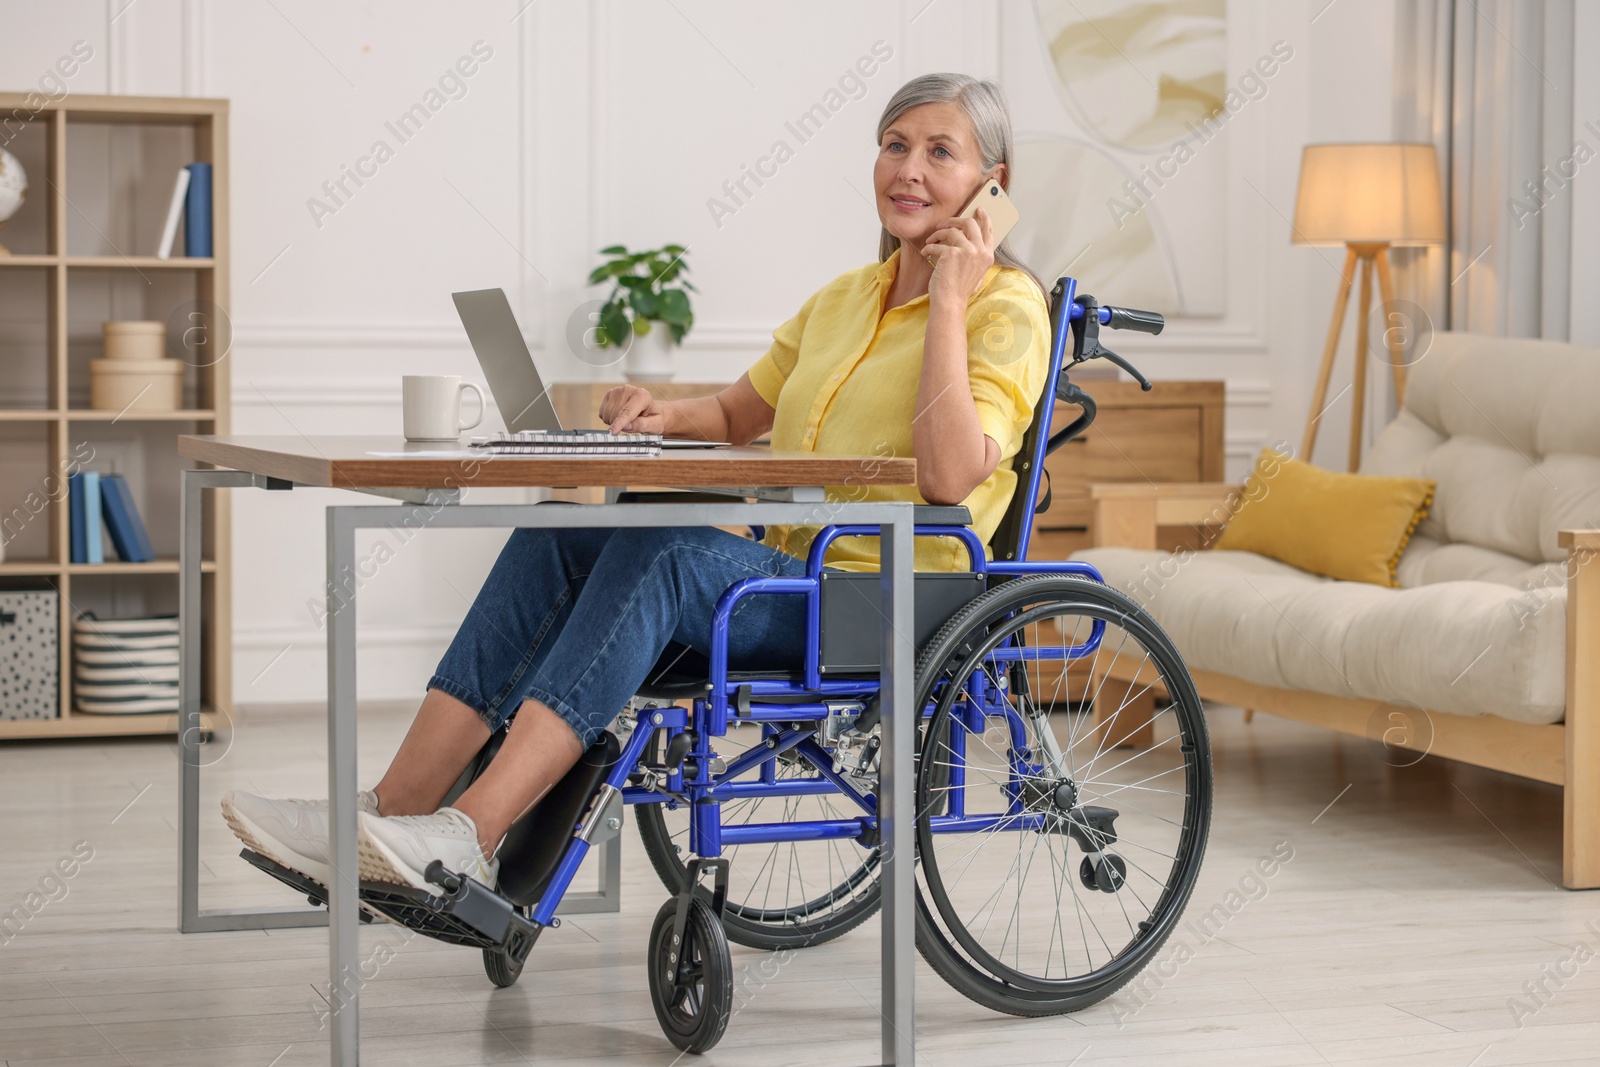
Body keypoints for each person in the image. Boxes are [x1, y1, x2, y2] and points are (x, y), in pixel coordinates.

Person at [222, 71, 1052, 896]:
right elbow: (737, 411)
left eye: (940, 152)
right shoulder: (844, 299)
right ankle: (394, 808)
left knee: (665, 554)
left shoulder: (1005, 309)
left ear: (993, 187)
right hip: (796, 572)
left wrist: (949, 299)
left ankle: (469, 831)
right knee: (562, 532)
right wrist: (661, 413)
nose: (907, 169)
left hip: (886, 594)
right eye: (894, 145)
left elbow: (948, 476)